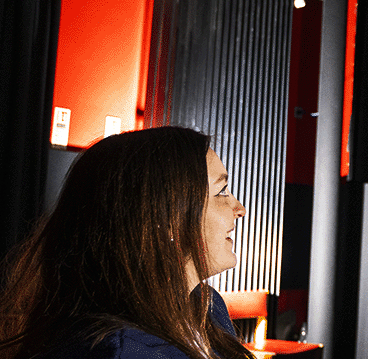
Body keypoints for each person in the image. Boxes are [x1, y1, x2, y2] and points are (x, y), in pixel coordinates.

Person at [0, 127, 253, 359]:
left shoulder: (206, 307)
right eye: (221, 191)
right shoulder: (121, 350)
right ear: (162, 216)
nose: (239, 209)